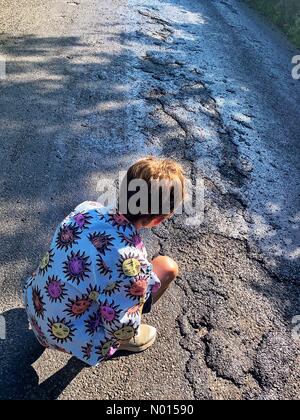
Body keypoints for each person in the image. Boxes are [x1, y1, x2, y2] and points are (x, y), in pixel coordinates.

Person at [23, 157, 185, 366]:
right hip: (70, 338)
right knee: (167, 267)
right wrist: (126, 330)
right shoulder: (132, 263)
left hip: (35, 306)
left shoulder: (86, 209)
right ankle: (125, 340)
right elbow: (119, 325)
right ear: (158, 219)